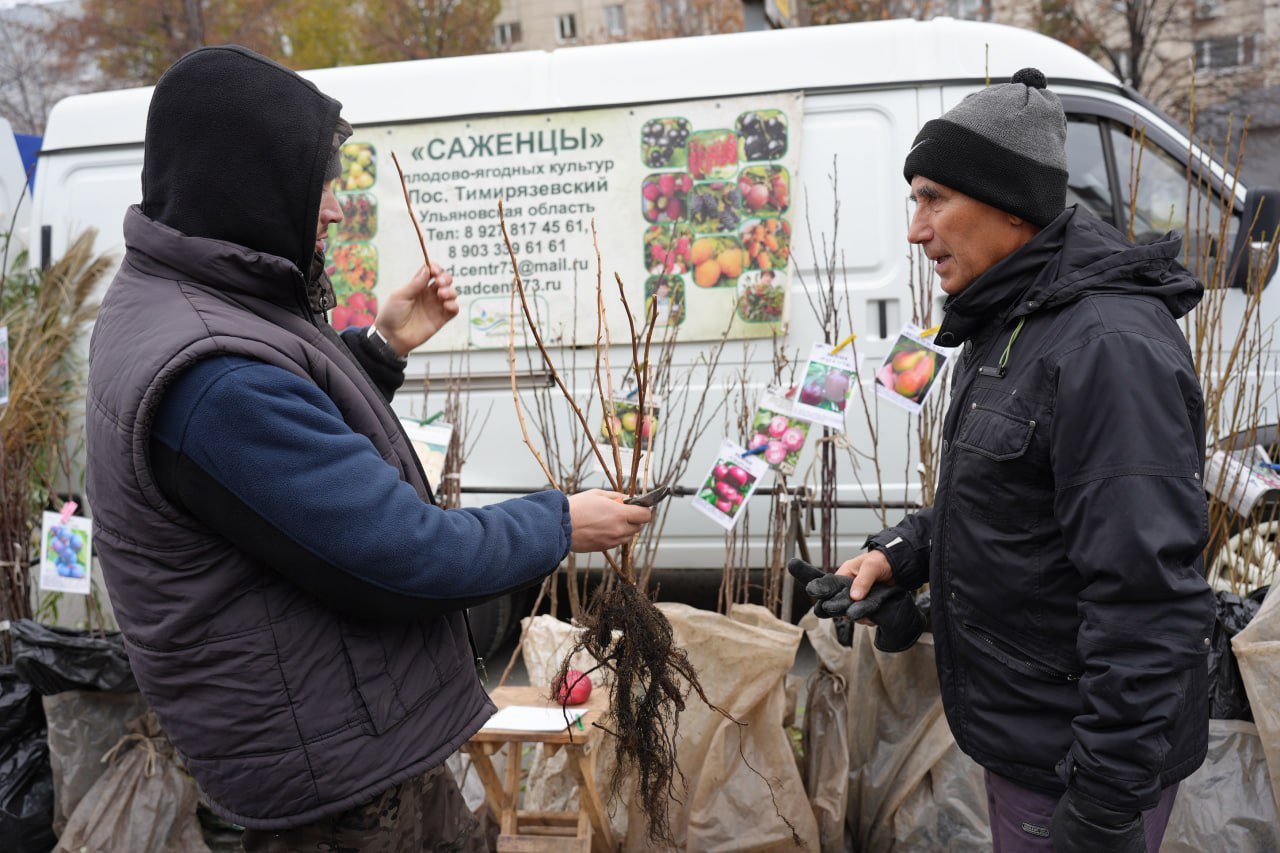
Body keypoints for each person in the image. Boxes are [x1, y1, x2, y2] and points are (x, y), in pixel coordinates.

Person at [84, 45, 651, 850]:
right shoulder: (214, 378)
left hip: (335, 735)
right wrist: (560, 522)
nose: (331, 210)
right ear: (247, 181)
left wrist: (378, 351)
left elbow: (276, 460)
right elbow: (402, 555)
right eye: (316, 183)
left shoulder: (176, 298)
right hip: (335, 777)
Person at [794, 68, 1214, 852]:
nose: (915, 230)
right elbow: (1008, 495)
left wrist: (1103, 800)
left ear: (1010, 205)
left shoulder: (1107, 348)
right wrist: (900, 556)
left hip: (1078, 767)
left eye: (933, 198)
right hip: (1030, 741)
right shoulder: (1011, 322)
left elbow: (1148, 596)